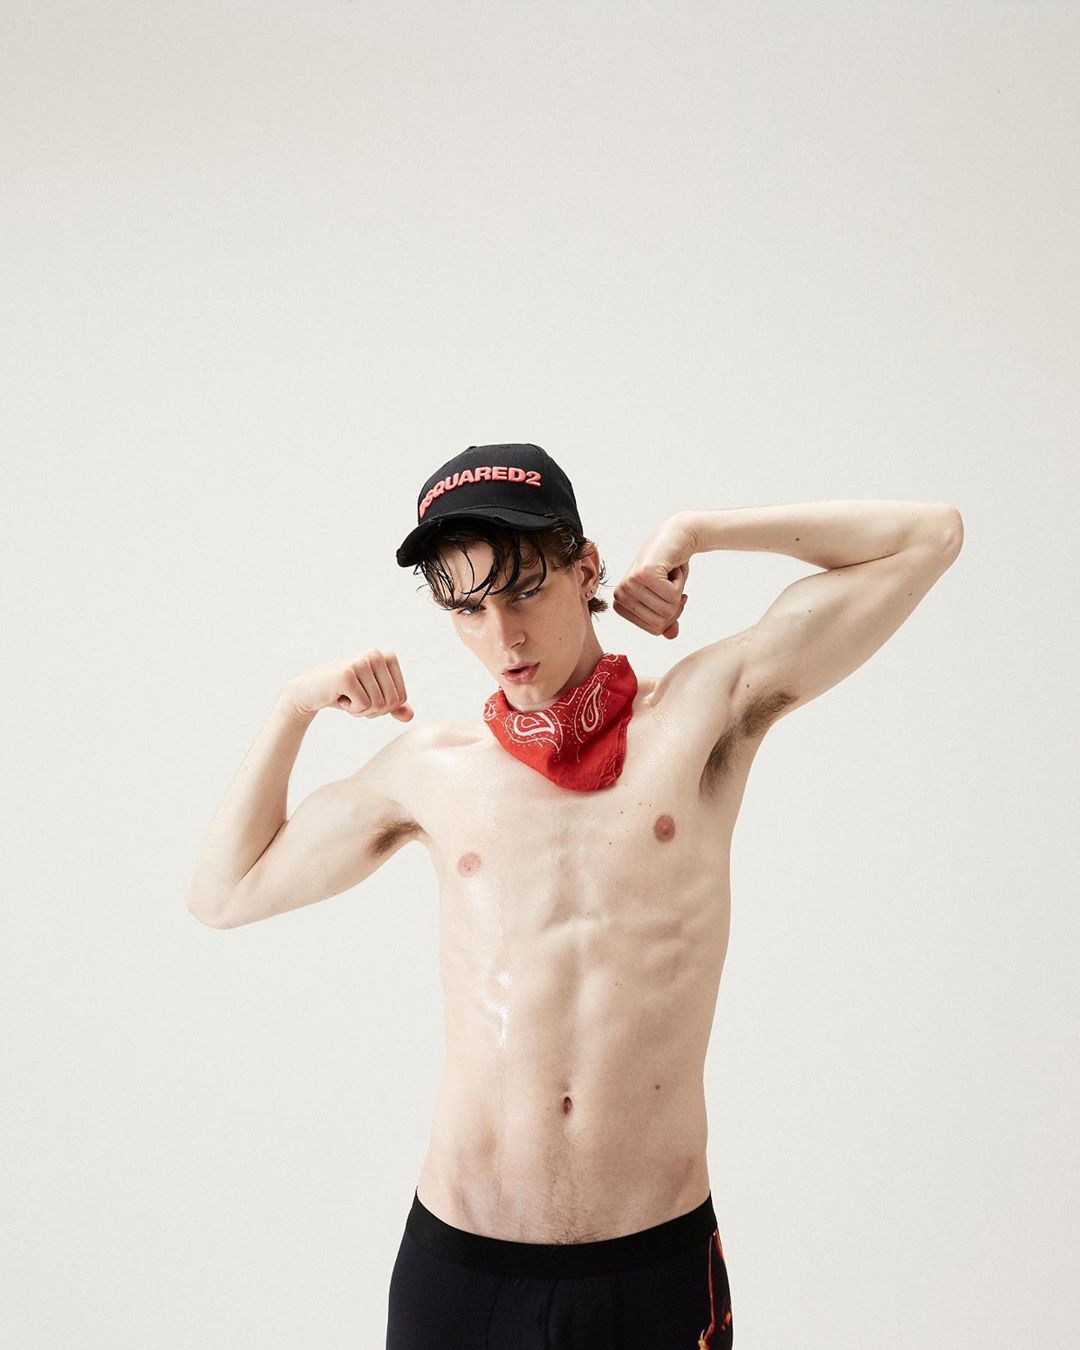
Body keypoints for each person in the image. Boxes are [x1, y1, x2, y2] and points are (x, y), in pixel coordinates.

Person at [186, 443, 964, 1348]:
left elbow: (930, 537)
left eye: (524, 591)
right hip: (460, 1271)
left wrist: (699, 531)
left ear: (586, 569)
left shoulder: (697, 718)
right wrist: (293, 707)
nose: (503, 638)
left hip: (652, 1268)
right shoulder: (433, 772)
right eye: (468, 609)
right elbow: (225, 892)